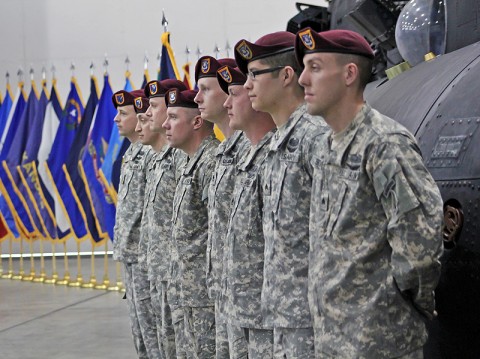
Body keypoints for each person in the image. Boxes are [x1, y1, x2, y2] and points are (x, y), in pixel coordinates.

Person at [295, 28, 444, 358]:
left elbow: (419, 244)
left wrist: (400, 307)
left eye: (315, 67)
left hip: (379, 343)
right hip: (334, 341)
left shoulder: (384, 144)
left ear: (349, 74)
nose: (303, 79)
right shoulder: (326, 147)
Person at [234, 31, 327, 358]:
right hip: (279, 313)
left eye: (254, 74)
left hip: (309, 318)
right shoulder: (278, 143)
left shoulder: (314, 138)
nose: (247, 86)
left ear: (287, 75)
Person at [216, 64, 276, 358]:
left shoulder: (279, 155)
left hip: (269, 312)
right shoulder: (245, 157)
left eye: (234, 94)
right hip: (237, 300)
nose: (228, 103)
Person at [194, 55, 249, 359]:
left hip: (251, 304)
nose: (198, 98)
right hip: (224, 296)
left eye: (206, 89)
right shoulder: (224, 154)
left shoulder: (252, 152)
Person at [162, 88, 220, 358]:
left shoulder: (210, 163)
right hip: (185, 292)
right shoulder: (189, 163)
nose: (164, 124)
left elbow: (217, 233)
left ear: (196, 122)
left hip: (203, 298)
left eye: (172, 117)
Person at [139, 79, 187, 359]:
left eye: (154, 107)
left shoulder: (181, 159)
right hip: (159, 271)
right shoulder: (160, 158)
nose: (146, 115)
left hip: (182, 279)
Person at [112, 89, 156, 359]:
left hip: (143, 259)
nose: (117, 119)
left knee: (153, 336)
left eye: (123, 113)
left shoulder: (149, 155)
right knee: (140, 334)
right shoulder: (131, 153)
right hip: (131, 256)